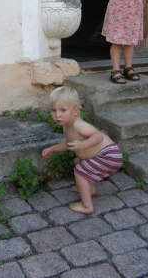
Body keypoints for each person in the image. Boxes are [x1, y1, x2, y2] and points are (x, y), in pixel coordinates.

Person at [42, 86, 123, 214]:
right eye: (53, 110)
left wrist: (82, 145)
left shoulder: (77, 124)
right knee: (77, 160)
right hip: (103, 155)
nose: (57, 115)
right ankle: (89, 188)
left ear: (75, 111)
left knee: (79, 171)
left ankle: (87, 206)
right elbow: (68, 144)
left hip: (109, 155)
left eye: (63, 110)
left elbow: (98, 136)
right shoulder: (66, 127)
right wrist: (52, 148)